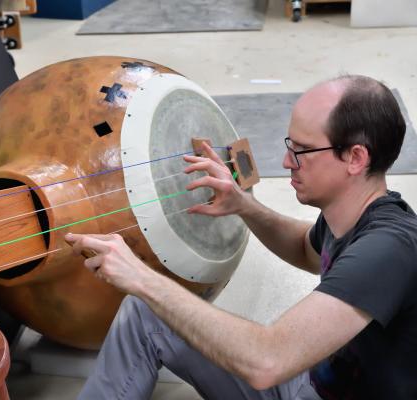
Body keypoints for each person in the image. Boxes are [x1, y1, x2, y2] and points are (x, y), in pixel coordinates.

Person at [65, 75, 417, 400]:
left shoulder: (387, 249)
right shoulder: (349, 215)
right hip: (310, 381)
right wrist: (244, 206)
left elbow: (267, 361)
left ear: (355, 158)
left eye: (301, 150)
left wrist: (141, 278)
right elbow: (305, 249)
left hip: (305, 381)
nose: (285, 161)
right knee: (144, 313)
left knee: (152, 297)